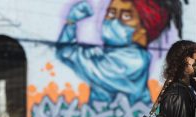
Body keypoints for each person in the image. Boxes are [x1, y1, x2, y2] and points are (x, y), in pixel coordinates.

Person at [56, 0, 184, 106]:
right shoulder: (105, 53)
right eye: (111, 13)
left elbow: (70, 55)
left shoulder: (133, 61)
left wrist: (71, 23)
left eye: (126, 16)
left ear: (143, 31)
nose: (114, 20)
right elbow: (67, 53)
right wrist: (70, 24)